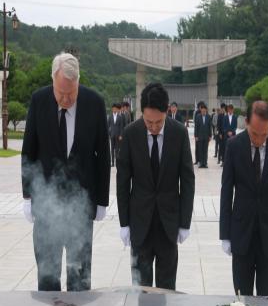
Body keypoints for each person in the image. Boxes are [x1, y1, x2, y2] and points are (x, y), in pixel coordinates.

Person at [21, 53, 111, 291]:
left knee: (79, 276)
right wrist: (27, 195)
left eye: (71, 93)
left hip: (80, 205)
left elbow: (103, 154)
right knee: (47, 275)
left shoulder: (94, 103)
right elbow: (29, 150)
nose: (65, 98)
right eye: (60, 92)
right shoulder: (39, 100)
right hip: (46, 202)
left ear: (78, 82)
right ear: (53, 80)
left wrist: (102, 200)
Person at [117, 83, 195, 290]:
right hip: (139, 223)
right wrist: (124, 223)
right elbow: (123, 181)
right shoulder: (131, 133)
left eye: (158, 122)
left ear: (167, 110)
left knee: (167, 287)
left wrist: (184, 222)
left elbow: (187, 180)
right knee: (141, 288)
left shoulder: (178, 134)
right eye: (148, 121)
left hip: (168, 224)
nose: (153, 127)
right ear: (141, 112)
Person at [220, 100, 268, 296]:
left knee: (267, 298)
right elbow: (226, 192)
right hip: (241, 233)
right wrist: (225, 234)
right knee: (241, 298)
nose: (259, 140)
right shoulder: (233, 146)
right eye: (254, 134)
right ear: (246, 123)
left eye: (264, 134)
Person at [194, 104, 212, 168]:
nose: (203, 112)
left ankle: (205, 163)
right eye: (202, 111)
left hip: (206, 136)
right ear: (201, 110)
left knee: (205, 150)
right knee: (200, 150)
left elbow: (210, 127)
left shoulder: (209, 117)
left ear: (206, 110)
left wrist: (210, 136)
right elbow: (196, 127)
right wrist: (196, 136)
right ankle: (201, 163)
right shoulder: (198, 117)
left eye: (204, 111)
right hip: (200, 136)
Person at [108, 103, 124, 167]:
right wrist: (109, 133)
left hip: (118, 135)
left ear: (116, 109)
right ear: (112, 109)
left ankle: (117, 162)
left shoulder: (119, 117)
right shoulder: (110, 116)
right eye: (113, 108)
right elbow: (108, 125)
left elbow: (121, 127)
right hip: (112, 135)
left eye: (115, 108)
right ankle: (112, 163)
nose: (114, 109)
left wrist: (121, 135)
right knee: (112, 149)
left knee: (117, 149)